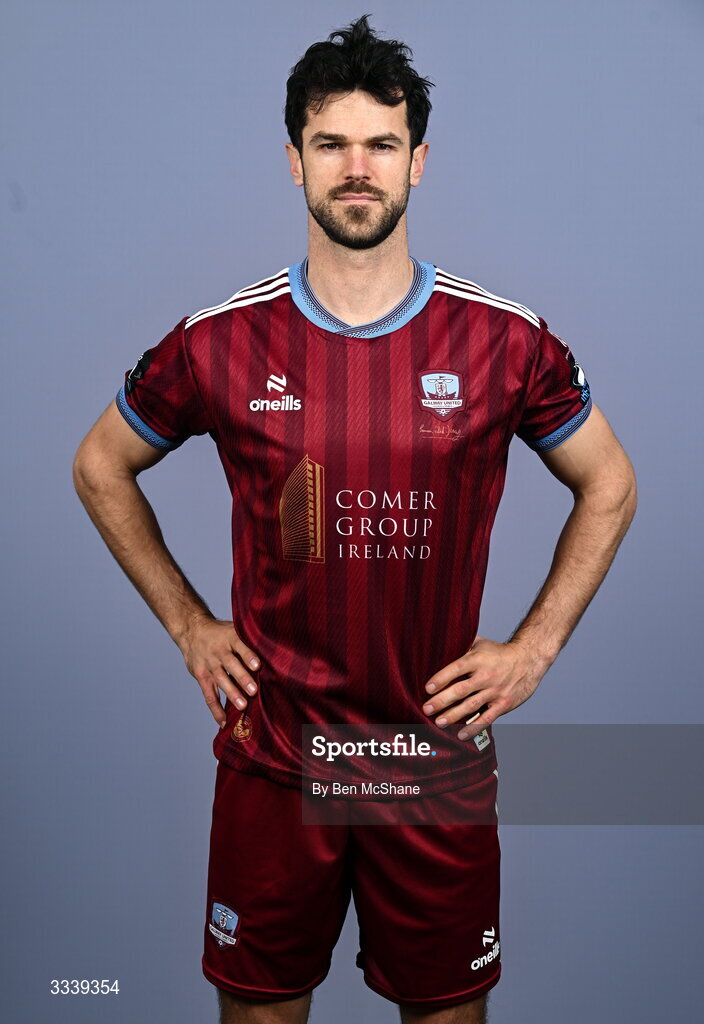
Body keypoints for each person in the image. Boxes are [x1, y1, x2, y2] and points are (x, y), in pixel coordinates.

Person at [72, 14, 637, 1024]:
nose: (356, 168)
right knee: (258, 1012)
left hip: (430, 765)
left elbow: (610, 483)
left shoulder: (503, 341)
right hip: (277, 758)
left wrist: (534, 647)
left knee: (447, 1017)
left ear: (418, 159)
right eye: (330, 144)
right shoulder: (220, 343)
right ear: (293, 161)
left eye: (380, 143)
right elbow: (101, 464)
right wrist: (189, 624)